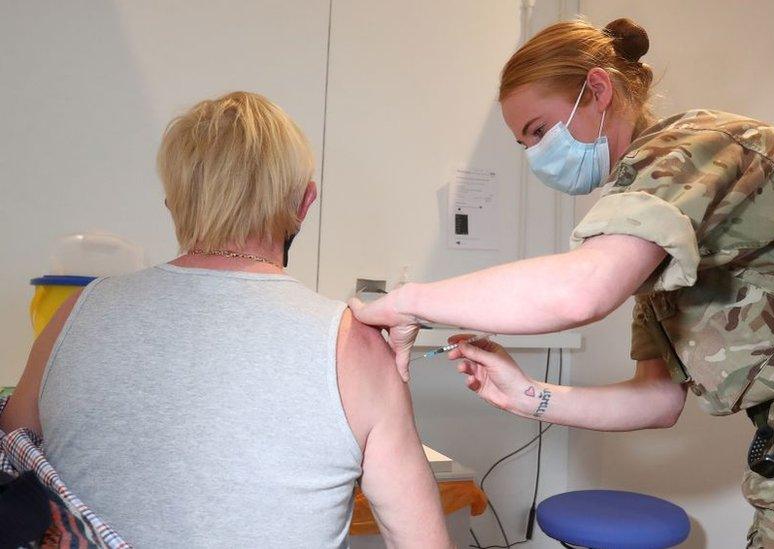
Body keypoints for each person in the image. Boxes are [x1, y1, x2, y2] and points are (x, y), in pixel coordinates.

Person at [350, 18, 774, 547]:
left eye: (540, 130)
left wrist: (408, 301)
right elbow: (659, 400)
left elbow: (579, 293)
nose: (538, 155)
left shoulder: (694, 147)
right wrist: (527, 395)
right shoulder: (656, 227)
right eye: (524, 144)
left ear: (596, 90)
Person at [0, 92, 452, 548]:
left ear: (172, 204)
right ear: (304, 202)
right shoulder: (353, 347)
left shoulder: (76, 313)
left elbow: (14, 462)